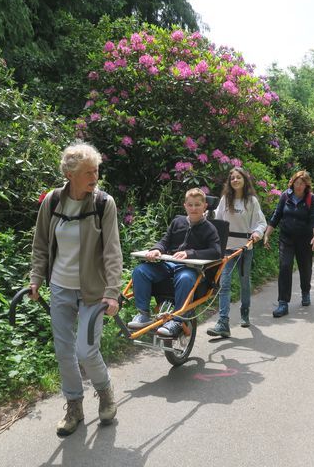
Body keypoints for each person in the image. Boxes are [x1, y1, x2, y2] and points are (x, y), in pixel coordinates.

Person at [29, 141, 122, 436]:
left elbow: (112, 251)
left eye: (96, 170)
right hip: (60, 287)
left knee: (86, 349)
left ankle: (105, 393)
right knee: (64, 351)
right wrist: (36, 278)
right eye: (88, 172)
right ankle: (74, 406)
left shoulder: (103, 203)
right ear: (70, 174)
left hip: (93, 290)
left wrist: (112, 291)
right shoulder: (53, 202)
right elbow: (41, 243)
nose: (94, 177)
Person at [128, 188, 221, 336]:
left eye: (197, 205)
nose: (194, 208)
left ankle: (177, 321)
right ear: (185, 206)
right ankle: (144, 314)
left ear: (205, 206)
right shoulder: (177, 222)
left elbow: (216, 251)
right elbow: (165, 241)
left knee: (184, 278)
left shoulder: (210, 229)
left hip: (189, 268)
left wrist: (189, 253)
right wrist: (157, 249)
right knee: (140, 271)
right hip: (168, 264)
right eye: (190, 205)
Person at [206, 167, 267, 337]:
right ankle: (223, 322)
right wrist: (205, 216)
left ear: (244, 180)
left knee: (244, 281)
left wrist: (257, 233)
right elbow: (216, 219)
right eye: (232, 178)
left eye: (238, 177)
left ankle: (245, 312)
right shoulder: (225, 199)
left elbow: (261, 223)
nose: (235, 180)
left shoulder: (251, 201)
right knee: (224, 284)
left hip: (245, 248)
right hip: (226, 248)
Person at [264, 170, 314, 318]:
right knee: (284, 266)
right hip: (286, 238)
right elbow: (276, 216)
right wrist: (267, 235)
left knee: (305, 268)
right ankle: (283, 303)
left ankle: (305, 291)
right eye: (297, 182)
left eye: (302, 183)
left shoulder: (311, 199)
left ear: (307, 185)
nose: (299, 186)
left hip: (305, 239)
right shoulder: (285, 196)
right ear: (293, 182)